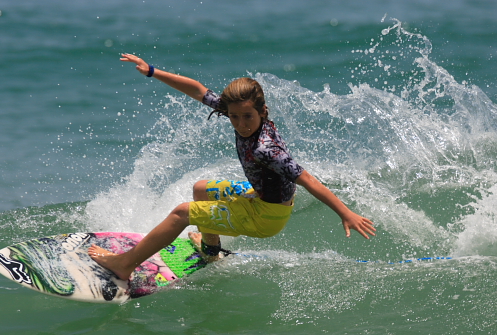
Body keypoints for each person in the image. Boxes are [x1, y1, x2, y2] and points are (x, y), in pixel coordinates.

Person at [88, 53, 376, 280]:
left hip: (267, 216)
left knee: (181, 213)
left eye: (247, 117)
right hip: (259, 196)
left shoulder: (266, 149)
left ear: (262, 111)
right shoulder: (241, 113)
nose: (240, 124)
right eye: (234, 116)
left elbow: (308, 179)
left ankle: (124, 264)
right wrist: (152, 70)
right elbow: (198, 90)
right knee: (201, 189)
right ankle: (211, 250)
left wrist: (346, 213)